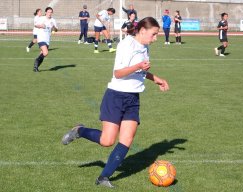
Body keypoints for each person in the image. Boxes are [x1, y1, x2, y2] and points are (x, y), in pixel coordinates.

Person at [62, 17, 170, 188]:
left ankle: (103, 177)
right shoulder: (126, 45)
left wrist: (155, 78)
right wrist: (138, 66)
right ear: (142, 31)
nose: (155, 38)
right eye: (154, 34)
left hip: (133, 98)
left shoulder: (145, 46)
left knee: (126, 139)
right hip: (116, 96)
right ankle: (80, 130)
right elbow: (118, 73)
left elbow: (140, 71)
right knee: (107, 141)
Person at [33, 7, 57, 72]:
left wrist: (54, 27)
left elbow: (56, 30)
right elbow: (35, 25)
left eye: (51, 12)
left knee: (43, 54)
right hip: (41, 38)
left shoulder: (53, 20)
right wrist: (41, 26)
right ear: (46, 12)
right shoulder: (42, 18)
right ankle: (36, 61)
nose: (50, 13)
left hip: (47, 39)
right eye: (48, 12)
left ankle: (36, 67)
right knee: (45, 53)